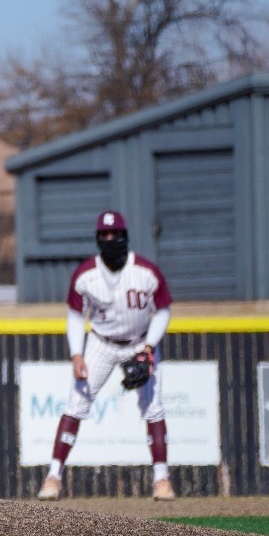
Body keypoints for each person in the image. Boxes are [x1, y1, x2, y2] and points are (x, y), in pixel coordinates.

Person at [38, 211, 175, 501]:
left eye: (115, 235)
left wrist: (149, 347)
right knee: (76, 404)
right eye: (105, 235)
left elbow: (163, 309)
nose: (110, 240)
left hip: (140, 342)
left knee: (153, 408)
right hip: (100, 343)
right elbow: (75, 316)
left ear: (125, 236)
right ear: (98, 238)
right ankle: (53, 477)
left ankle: (161, 480)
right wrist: (76, 354)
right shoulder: (86, 274)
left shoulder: (146, 272)